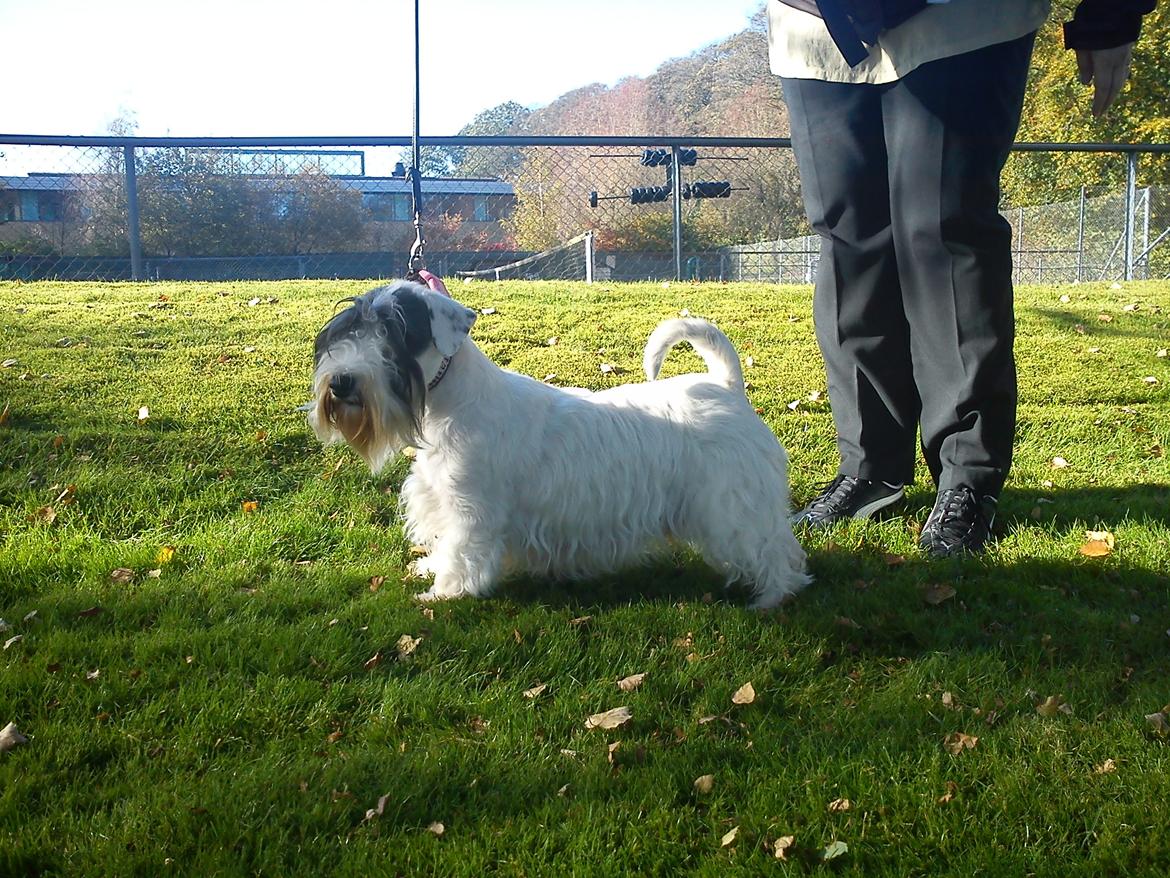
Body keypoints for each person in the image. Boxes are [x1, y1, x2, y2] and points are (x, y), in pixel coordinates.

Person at [768, 0, 1157, 557]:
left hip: (961, 19)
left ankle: (966, 479)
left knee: (945, 232)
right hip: (811, 29)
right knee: (847, 237)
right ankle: (869, 466)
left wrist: (1111, 11)